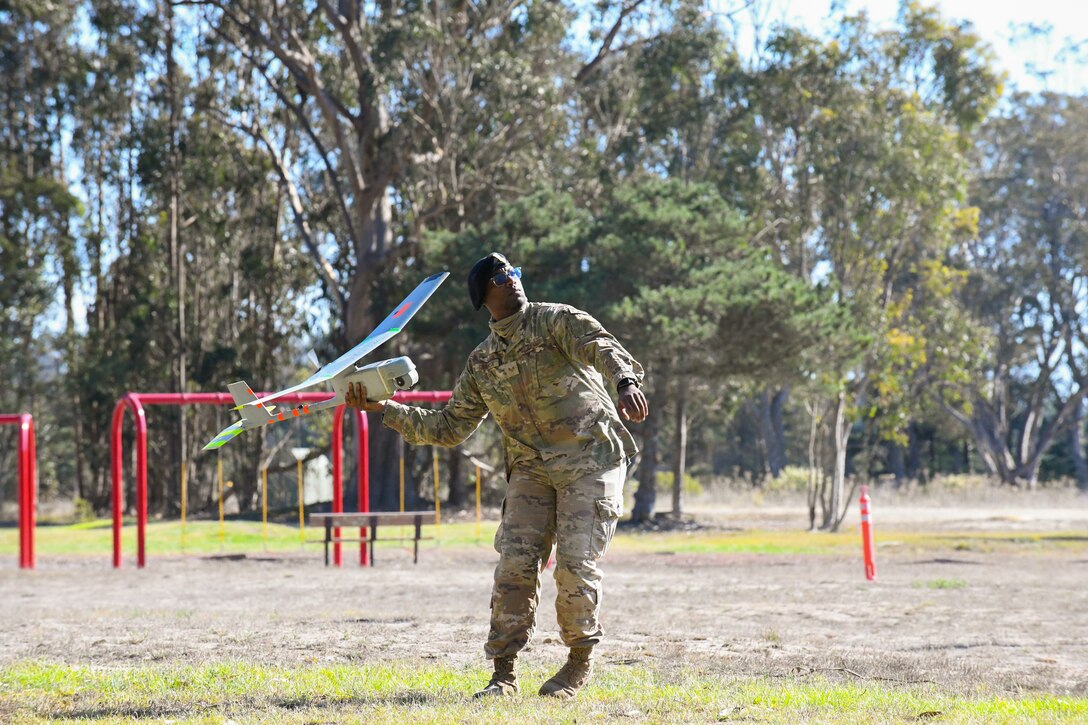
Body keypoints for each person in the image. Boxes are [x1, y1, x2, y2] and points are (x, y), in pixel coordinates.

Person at [345, 252, 649, 699]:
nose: (512, 280)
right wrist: (385, 409)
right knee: (513, 567)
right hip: (531, 469)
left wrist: (625, 382)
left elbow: (601, 347)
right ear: (483, 296)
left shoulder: (555, 321)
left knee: (574, 565)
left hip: (591, 459)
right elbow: (449, 428)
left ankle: (577, 663)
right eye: (499, 276)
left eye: (513, 272)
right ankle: (503, 673)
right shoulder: (483, 363)